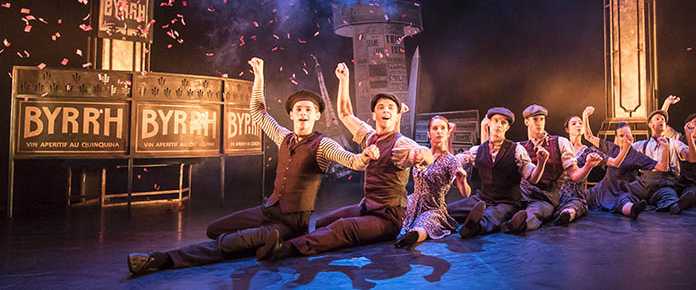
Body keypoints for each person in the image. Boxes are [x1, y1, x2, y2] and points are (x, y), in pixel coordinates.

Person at [127, 57, 378, 275]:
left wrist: (365, 156)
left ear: (316, 116)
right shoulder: (283, 136)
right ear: (291, 114)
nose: (303, 113)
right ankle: (252, 243)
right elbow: (258, 113)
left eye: (308, 110)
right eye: (298, 109)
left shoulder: (323, 145)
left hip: (290, 224)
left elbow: (352, 161)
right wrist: (259, 76)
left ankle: (160, 259)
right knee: (215, 229)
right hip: (268, 211)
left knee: (227, 243)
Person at [260, 62, 432, 261]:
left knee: (343, 227)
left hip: (387, 218)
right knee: (324, 222)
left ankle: (287, 248)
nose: (385, 111)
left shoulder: (400, 143)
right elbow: (345, 114)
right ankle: (304, 238)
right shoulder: (369, 136)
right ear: (373, 114)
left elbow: (423, 154)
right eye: (381, 107)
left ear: (395, 116)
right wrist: (344, 80)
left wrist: (422, 155)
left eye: (390, 108)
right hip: (367, 207)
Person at [447, 107, 548, 238]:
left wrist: (541, 163)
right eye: (495, 121)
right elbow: (452, 162)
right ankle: (462, 221)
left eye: (503, 122)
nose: (499, 125)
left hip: (506, 202)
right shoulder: (477, 150)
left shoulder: (517, 150)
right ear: (489, 123)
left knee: (491, 217)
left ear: (507, 127)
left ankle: (473, 226)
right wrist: (447, 138)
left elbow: (533, 178)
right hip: (482, 198)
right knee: (449, 211)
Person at [505, 104, 595, 233]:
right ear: (526, 121)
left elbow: (574, 175)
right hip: (520, 197)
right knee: (501, 209)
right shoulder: (519, 147)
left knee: (535, 211)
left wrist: (588, 166)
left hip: (545, 197)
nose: (539, 123)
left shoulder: (560, 142)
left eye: (542, 119)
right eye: (535, 119)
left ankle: (519, 225)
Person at [395, 115, 470, 248]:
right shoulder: (421, 153)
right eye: (435, 128)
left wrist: (463, 181)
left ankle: (413, 237)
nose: (439, 131)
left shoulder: (450, 161)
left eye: (442, 128)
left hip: (433, 207)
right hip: (413, 202)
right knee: (395, 212)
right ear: (429, 133)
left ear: (447, 133)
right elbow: (398, 143)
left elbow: (466, 194)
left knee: (425, 223)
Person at [582, 107, 669, 219]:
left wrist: (665, 149)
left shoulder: (636, 156)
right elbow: (588, 136)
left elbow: (663, 167)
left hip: (620, 191)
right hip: (602, 188)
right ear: (617, 138)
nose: (625, 138)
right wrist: (585, 116)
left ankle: (634, 209)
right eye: (621, 136)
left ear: (632, 135)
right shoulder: (612, 148)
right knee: (580, 196)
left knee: (624, 202)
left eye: (627, 135)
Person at [553, 111, 629, 225]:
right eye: (574, 123)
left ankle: (567, 215)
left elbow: (615, 162)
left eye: (580, 123)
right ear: (567, 129)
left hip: (574, 195)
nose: (578, 125)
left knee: (573, 207)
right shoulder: (558, 147)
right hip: (556, 194)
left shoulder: (589, 151)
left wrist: (625, 148)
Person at [628, 106, 696, 214]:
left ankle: (676, 203)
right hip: (643, 184)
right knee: (623, 191)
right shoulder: (641, 145)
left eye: (663, 120)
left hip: (663, 184)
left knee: (670, 200)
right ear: (650, 124)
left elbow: (693, 158)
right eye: (658, 119)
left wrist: (689, 136)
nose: (662, 120)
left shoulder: (674, 143)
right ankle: (634, 206)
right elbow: (622, 154)